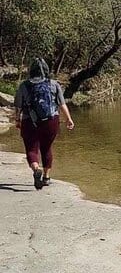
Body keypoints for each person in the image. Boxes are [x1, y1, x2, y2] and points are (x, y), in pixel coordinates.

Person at [14, 58, 74, 189]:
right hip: (51, 121)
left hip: (29, 121)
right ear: (46, 70)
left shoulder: (24, 85)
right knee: (46, 148)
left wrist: (17, 120)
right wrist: (68, 119)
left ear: (31, 70)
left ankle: (36, 169)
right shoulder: (54, 84)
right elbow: (62, 104)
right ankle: (46, 178)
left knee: (31, 148)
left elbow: (18, 106)